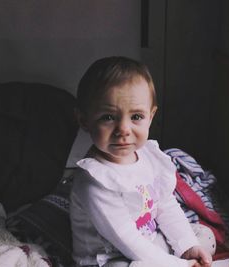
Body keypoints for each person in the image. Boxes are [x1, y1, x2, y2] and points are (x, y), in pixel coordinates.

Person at [70, 56, 213, 267]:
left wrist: (187, 247)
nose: (123, 130)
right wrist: (177, 265)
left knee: (203, 236)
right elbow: (126, 239)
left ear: (151, 116)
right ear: (85, 120)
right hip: (110, 257)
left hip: (149, 243)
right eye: (108, 117)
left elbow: (165, 204)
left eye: (136, 117)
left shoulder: (148, 157)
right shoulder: (94, 180)